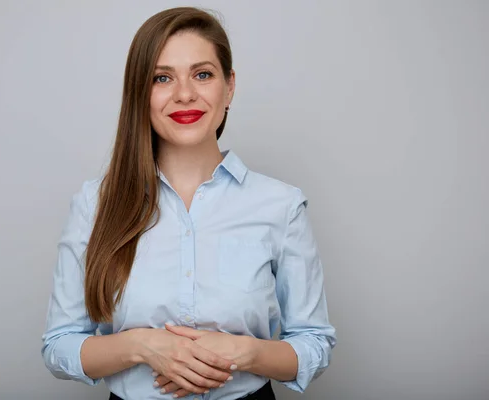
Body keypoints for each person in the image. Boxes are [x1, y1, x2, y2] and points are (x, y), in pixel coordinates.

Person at [41, 6, 336, 400]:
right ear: (139, 92)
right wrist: (142, 346)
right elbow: (59, 344)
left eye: (203, 74)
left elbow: (314, 343)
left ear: (229, 86)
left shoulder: (280, 206)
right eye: (162, 78)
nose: (184, 94)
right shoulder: (94, 205)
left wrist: (247, 353)